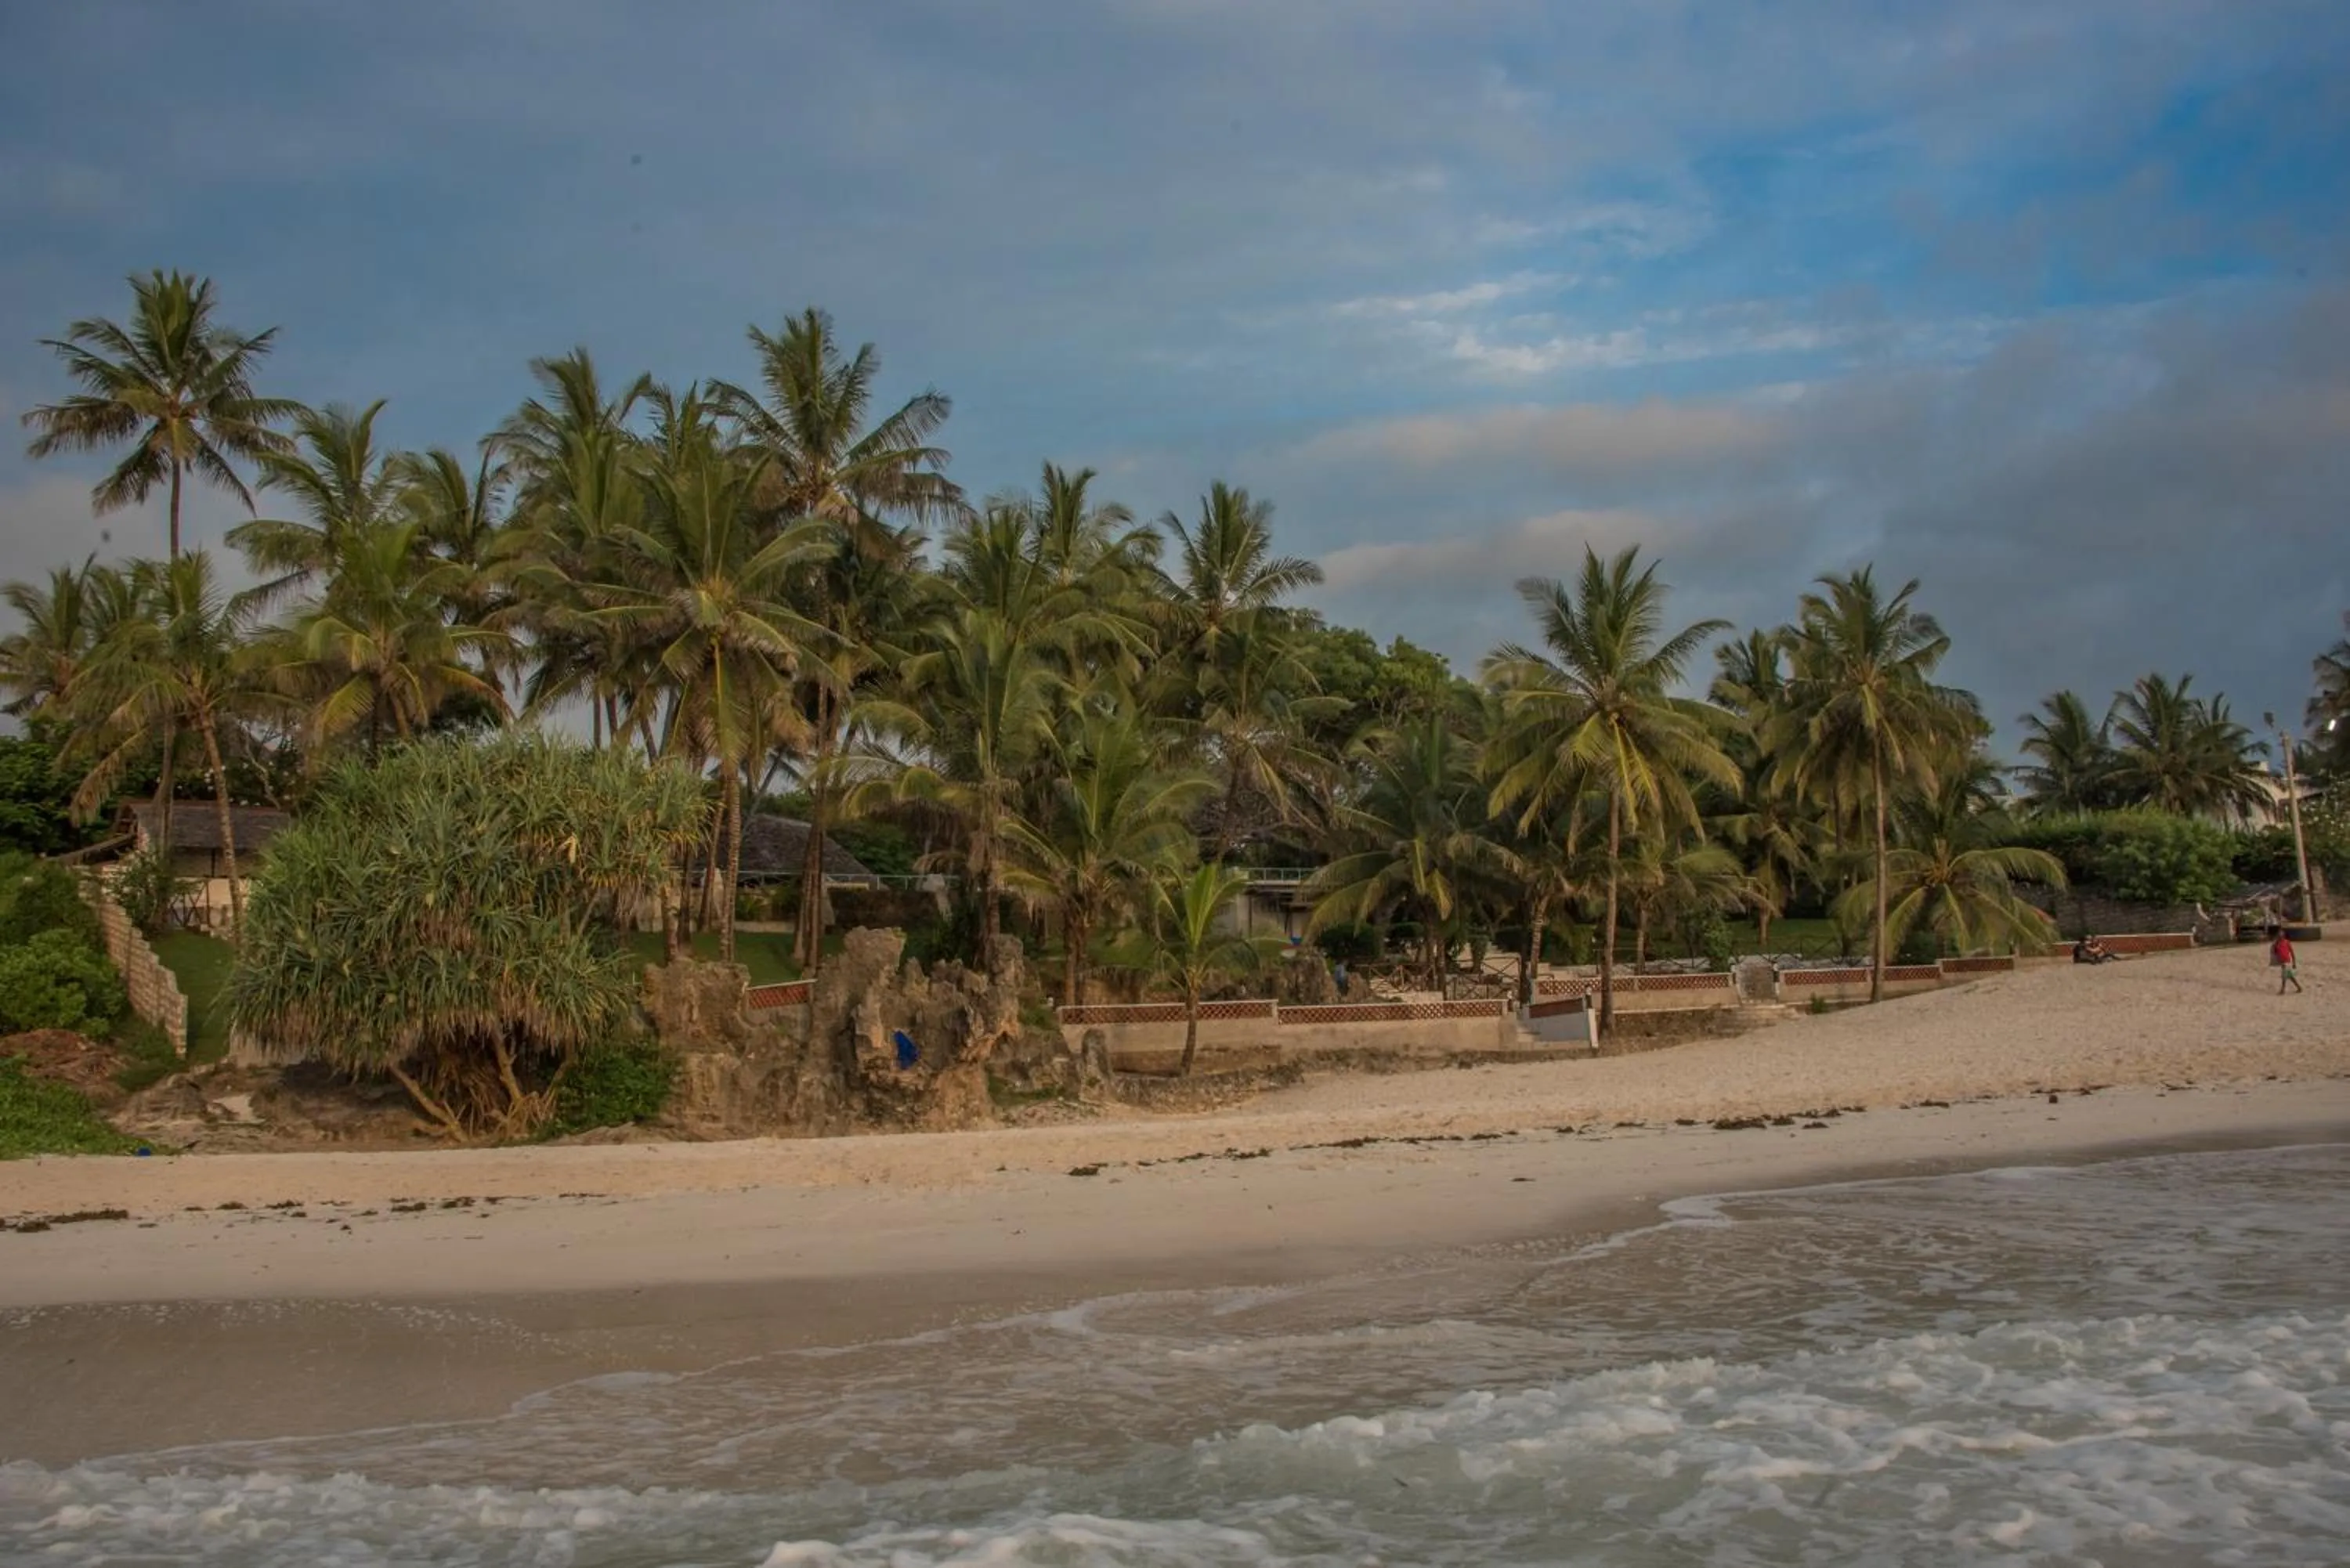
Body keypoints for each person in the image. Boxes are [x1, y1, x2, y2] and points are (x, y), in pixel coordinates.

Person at [2270, 928, 2303, 995]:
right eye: (2279, 935)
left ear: (2283, 936)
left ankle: (2283, 990)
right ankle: (2299, 987)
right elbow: (2274, 952)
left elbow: (2292, 952)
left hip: (2287, 961)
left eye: (2281, 935)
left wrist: (2294, 963)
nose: (2280, 936)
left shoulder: (2287, 942)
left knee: (2284, 975)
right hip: (2282, 962)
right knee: (2290, 976)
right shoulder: (2277, 944)